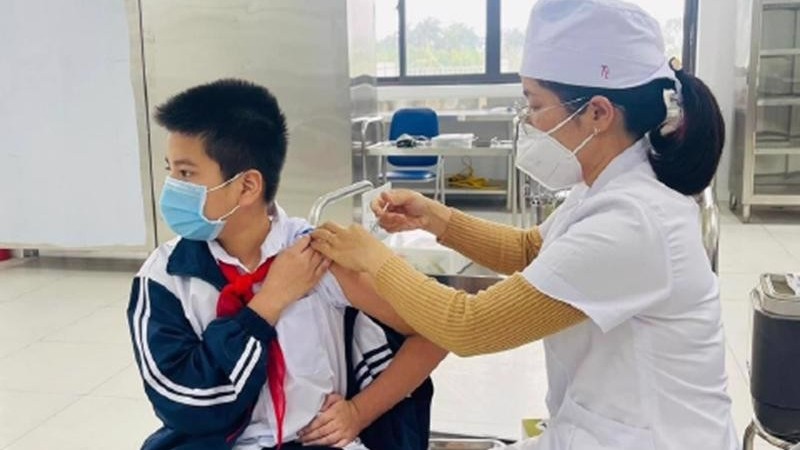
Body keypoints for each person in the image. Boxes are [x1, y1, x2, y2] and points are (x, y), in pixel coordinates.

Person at [309, 0, 738, 448]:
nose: (527, 121)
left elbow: (469, 327)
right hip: (600, 425)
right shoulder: (604, 185)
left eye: (534, 104)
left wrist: (375, 259)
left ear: (598, 113)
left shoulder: (634, 223)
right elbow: (532, 250)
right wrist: (437, 218)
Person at [126, 79, 446, 450]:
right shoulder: (165, 277)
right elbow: (185, 405)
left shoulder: (323, 254)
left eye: (185, 174)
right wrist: (268, 303)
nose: (170, 188)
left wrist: (359, 412)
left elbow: (437, 330)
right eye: (170, 170)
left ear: (247, 186)